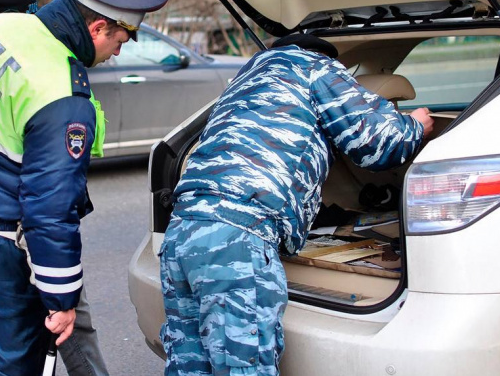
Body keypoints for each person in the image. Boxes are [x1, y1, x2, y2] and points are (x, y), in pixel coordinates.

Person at [0, 0, 170, 376]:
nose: (116, 53)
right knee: (11, 365)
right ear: (97, 27)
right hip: (4, 245)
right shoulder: (61, 90)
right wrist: (61, 300)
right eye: (119, 41)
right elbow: (50, 203)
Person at [159, 34, 433, 375]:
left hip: (181, 232)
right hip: (236, 239)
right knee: (244, 367)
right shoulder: (315, 67)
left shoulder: (249, 74)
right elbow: (375, 143)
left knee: (188, 365)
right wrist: (415, 125)